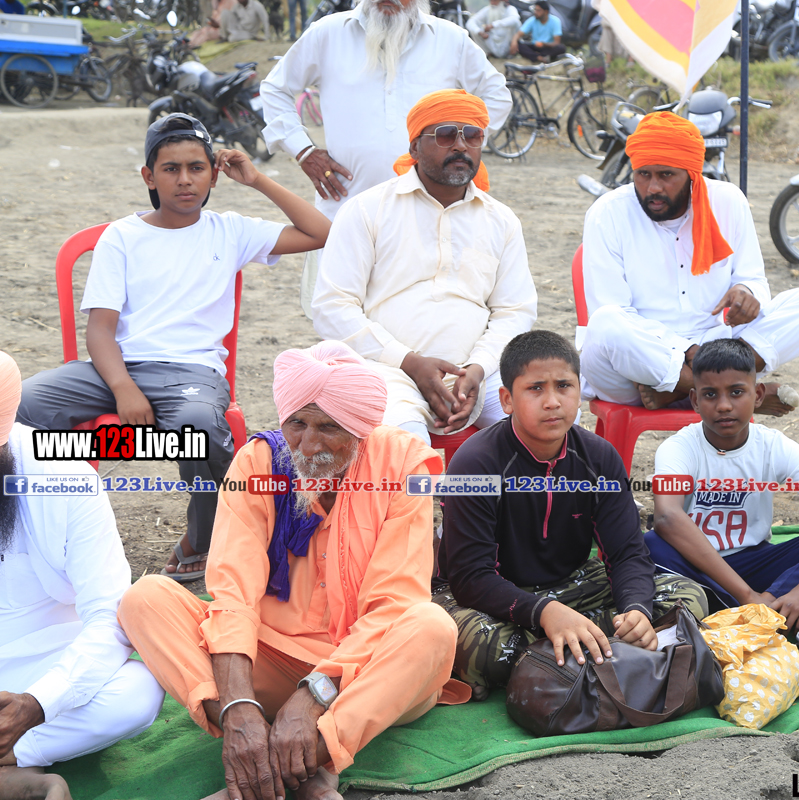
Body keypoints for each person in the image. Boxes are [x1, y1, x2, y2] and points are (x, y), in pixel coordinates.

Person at [118, 341, 468, 800]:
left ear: (360, 430)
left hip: (366, 674)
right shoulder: (258, 462)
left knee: (431, 626)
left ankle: (293, 767)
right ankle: (255, 740)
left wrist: (314, 695)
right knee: (145, 599)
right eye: (297, 424)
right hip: (267, 662)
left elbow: (392, 604)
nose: (308, 445)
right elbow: (233, 593)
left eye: (329, 427)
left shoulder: (403, 465)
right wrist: (239, 706)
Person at [16, 114, 330, 583]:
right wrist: (123, 388)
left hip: (191, 374)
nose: (185, 180)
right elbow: (99, 330)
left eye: (196, 168)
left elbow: (321, 232)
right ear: (149, 176)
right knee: (19, 406)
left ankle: (203, 539)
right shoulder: (122, 236)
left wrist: (257, 180)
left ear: (214, 175)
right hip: (112, 369)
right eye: (170, 169)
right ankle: (38, 529)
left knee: (199, 428)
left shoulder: (230, 231)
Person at [435, 330, 708, 699]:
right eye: (535, 389)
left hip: (572, 585)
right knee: (483, 646)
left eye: (564, 386)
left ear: (579, 391)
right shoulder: (475, 463)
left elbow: (627, 553)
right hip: (490, 599)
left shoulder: (599, 457)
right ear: (507, 399)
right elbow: (470, 578)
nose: (552, 402)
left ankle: (564, 656)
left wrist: (636, 613)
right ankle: (601, 650)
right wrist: (545, 613)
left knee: (688, 597)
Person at [259, 0, 511, 319]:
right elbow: (275, 89)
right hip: (346, 205)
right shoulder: (327, 34)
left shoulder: (451, 39)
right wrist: (303, 150)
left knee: (423, 318)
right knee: (342, 316)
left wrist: (461, 142)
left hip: (431, 214)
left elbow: (497, 97)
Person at [312, 89, 536, 444]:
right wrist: (408, 361)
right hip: (386, 368)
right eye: (446, 135)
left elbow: (515, 310)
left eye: (472, 135)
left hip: (479, 372)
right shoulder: (367, 210)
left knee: (543, 423)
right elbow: (331, 307)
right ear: (415, 147)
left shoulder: (501, 220)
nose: (460, 146)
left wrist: (479, 366)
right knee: (405, 448)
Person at [580, 111, 799, 416]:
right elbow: (612, 310)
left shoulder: (728, 201)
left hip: (714, 345)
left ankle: (683, 390)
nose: (653, 187)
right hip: (636, 368)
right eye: (643, 174)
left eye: (666, 175)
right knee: (606, 323)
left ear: (692, 175)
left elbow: (753, 279)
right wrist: (686, 351)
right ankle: (733, 390)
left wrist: (746, 293)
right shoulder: (607, 213)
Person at [0, 352, 163, 800]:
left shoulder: (66, 478)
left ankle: (17, 752)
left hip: (43, 662)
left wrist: (37, 704)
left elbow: (110, 617)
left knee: (140, 691)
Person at [646, 339, 799, 628]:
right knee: (652, 546)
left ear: (757, 395)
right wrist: (747, 596)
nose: (724, 405)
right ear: (695, 400)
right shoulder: (679, 447)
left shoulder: (772, 446)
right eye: (710, 394)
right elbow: (667, 516)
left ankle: (767, 609)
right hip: (698, 566)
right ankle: (772, 615)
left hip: (758, 565)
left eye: (736, 392)